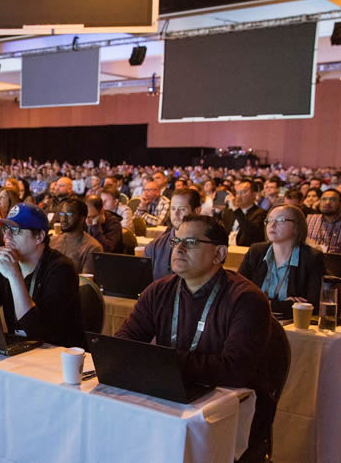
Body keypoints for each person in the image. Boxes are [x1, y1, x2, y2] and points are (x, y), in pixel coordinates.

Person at [116, 215, 276, 460]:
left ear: (219, 253)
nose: (178, 249)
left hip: (229, 411)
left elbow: (235, 371)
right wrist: (162, 364)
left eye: (190, 242)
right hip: (170, 396)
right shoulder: (159, 290)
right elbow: (124, 344)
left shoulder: (246, 300)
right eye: (176, 241)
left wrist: (163, 362)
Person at [0, 202, 84, 347]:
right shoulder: (8, 264)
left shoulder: (62, 269)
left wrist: (14, 276)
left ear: (39, 236)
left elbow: (37, 331)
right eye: (5, 229)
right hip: (19, 350)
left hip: (55, 354)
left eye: (15, 230)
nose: (6, 237)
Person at [238, 205, 324, 319]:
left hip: (292, 326)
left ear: (297, 226)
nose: (272, 225)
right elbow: (238, 294)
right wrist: (283, 305)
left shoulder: (311, 257)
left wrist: (260, 303)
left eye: (281, 220)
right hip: (252, 319)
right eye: (269, 220)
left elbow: (313, 305)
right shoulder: (256, 252)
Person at [144, 189, 201, 281]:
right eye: (173, 208)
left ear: (197, 211)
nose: (176, 214)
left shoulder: (206, 246)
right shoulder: (153, 247)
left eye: (182, 209)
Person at [50, 197, 103, 274]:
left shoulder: (92, 247)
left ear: (82, 218)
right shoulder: (52, 240)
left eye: (69, 214)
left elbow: (85, 282)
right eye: (61, 214)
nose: (63, 219)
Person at [305, 189, 341, 253]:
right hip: (310, 260)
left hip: (338, 261)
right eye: (324, 199)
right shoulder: (309, 219)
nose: (327, 202)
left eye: (332, 199)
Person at [231, 181, 268, 247]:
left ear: (254, 195)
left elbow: (252, 233)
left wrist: (236, 210)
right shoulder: (229, 212)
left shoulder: (261, 213)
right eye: (237, 193)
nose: (238, 196)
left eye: (243, 192)